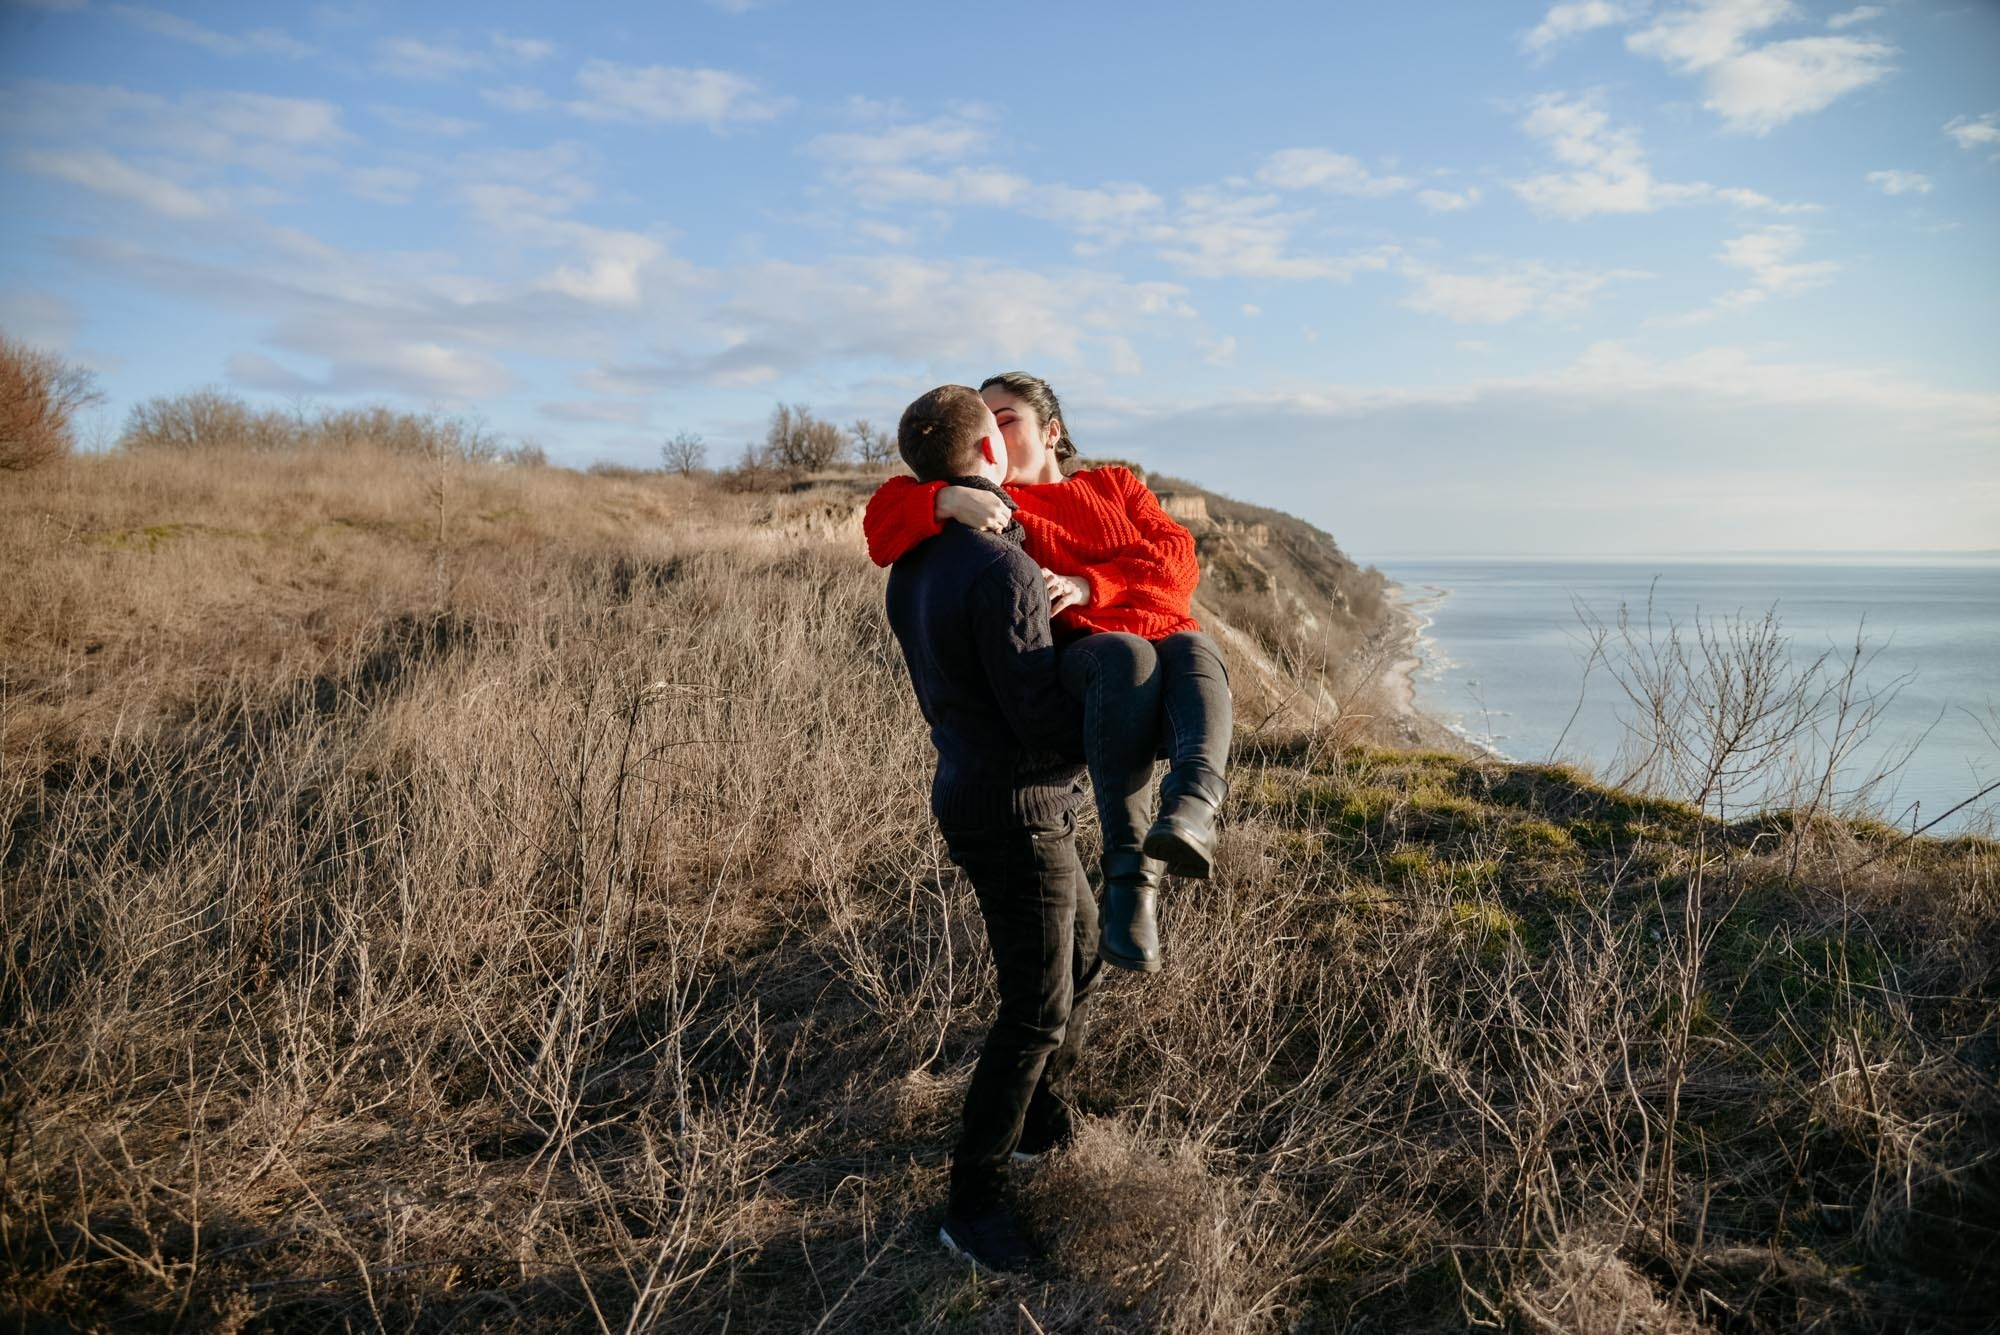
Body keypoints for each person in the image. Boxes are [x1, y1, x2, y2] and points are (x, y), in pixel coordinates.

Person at [865, 372, 1232, 974]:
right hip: (1094, 655)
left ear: (1051, 431)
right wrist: (942, 498)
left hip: (1159, 631)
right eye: (989, 425)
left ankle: (1192, 808)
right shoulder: (997, 503)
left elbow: (1178, 558)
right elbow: (881, 523)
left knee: (1197, 650)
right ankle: (1132, 884)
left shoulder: (1114, 484)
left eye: (1006, 419)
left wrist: (1093, 583)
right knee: (1133, 655)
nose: (996, 437)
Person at [881, 383, 1103, 1272]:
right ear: (985, 456)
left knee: (1082, 949)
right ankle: (973, 1201)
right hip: (1017, 804)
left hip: (973, 788)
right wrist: (1108, 686)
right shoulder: (1001, 567)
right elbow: (1038, 715)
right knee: (1036, 1006)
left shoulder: (916, 559)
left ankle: (1043, 1123)